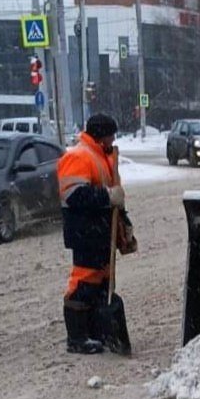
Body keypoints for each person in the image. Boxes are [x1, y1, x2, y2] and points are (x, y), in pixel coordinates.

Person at [57, 112, 137, 355]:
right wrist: (107, 196)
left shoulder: (102, 155)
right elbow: (73, 196)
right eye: (110, 135)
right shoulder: (79, 156)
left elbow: (112, 191)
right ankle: (77, 338)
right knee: (83, 282)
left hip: (101, 232)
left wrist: (123, 218)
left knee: (101, 282)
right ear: (100, 135)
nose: (113, 140)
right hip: (85, 232)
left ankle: (95, 333)